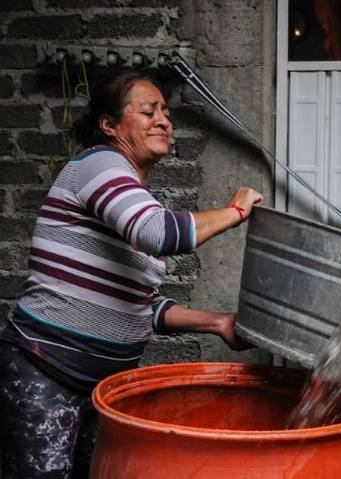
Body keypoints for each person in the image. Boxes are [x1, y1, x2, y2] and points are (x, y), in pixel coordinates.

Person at [0, 71, 264, 478]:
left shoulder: (129, 200)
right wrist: (236, 211)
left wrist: (217, 323)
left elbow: (141, 304)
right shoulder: (98, 165)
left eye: (166, 113)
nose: (163, 120)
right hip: (47, 371)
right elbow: (158, 233)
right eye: (147, 111)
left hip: (102, 389)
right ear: (109, 125)